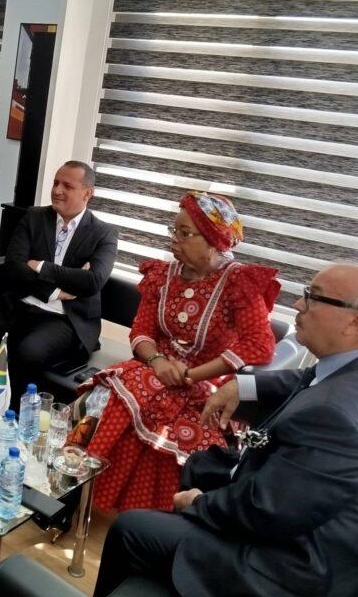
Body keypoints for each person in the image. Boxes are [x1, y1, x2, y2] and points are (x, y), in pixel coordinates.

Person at [93, 265, 358, 597]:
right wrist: (242, 386)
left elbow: (266, 511)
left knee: (132, 528)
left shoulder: (338, 418)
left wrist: (199, 504)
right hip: (315, 518)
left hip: (302, 569)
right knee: (199, 464)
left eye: (313, 297)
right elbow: (308, 378)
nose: (298, 304)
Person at [83, 192, 278, 512]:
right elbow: (141, 331)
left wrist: (192, 375)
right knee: (112, 397)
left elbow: (260, 344)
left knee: (181, 431)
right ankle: (89, 499)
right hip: (155, 369)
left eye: (185, 233)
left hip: (208, 383)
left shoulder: (238, 283)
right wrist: (157, 361)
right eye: (174, 230)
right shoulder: (162, 275)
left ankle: (150, 518)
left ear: (215, 241)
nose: (174, 239)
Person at [0, 161, 118, 405]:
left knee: (28, 352)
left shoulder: (103, 233)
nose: (57, 190)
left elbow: (93, 281)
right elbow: (14, 266)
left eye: (67, 186)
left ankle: (10, 414)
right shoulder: (35, 217)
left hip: (64, 318)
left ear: (87, 193)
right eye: (55, 183)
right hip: (17, 303)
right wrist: (55, 290)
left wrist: (40, 266)